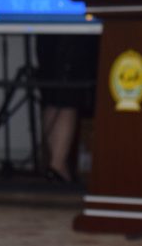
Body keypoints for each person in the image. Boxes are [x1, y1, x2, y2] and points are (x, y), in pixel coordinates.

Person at [36, 33, 98, 185]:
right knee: (64, 95)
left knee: (55, 95)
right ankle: (57, 166)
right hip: (68, 32)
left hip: (55, 30)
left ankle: (56, 165)